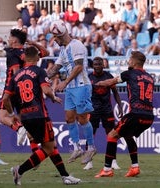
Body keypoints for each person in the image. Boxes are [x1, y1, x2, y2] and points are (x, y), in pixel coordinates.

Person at [3, 46, 81, 185]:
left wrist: (11, 114)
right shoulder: (39, 71)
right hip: (39, 115)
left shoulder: (15, 76)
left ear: (24, 57)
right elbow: (46, 90)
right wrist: (53, 97)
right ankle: (19, 170)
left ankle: (65, 176)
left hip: (25, 118)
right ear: (37, 57)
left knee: (51, 145)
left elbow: (5, 99)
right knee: (49, 148)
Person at [95, 51, 154, 178]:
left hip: (136, 114)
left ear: (134, 62)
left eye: (129, 59)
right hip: (149, 117)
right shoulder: (150, 77)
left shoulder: (129, 73)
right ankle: (135, 167)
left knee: (111, 135)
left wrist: (97, 83)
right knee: (127, 135)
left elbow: (110, 82)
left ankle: (107, 169)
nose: (128, 61)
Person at [47, 20, 96, 164]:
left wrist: (65, 82)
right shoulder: (63, 50)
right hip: (70, 88)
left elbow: (79, 67)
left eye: (56, 37)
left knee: (82, 118)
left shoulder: (77, 45)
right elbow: (55, 68)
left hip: (81, 86)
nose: (54, 40)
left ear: (62, 35)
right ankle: (76, 147)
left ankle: (91, 147)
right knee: (69, 118)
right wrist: (41, 78)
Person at [0, 29, 49, 145]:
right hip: (27, 90)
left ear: (15, 40)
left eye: (10, 37)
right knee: (27, 124)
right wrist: (34, 43)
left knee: (3, 116)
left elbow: (16, 72)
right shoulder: (27, 52)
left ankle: (19, 128)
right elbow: (46, 53)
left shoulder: (12, 53)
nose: (8, 39)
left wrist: (13, 88)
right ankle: (35, 157)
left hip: (13, 89)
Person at [83, 57, 123, 170]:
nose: (97, 66)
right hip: (93, 110)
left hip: (107, 110)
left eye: (99, 64)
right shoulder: (88, 78)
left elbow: (115, 92)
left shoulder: (108, 77)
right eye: (95, 64)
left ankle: (113, 161)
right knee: (90, 135)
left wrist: (120, 106)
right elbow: (84, 94)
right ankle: (89, 161)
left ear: (103, 65)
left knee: (112, 135)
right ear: (92, 66)